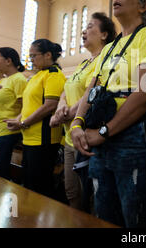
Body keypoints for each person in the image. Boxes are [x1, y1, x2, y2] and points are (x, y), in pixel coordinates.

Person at [70, 0, 146, 227]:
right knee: (103, 211)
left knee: (134, 216)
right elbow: (92, 88)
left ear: (143, 7)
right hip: (101, 137)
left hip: (130, 136)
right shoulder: (108, 48)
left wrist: (104, 131)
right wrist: (77, 123)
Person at [50, 12, 116, 211]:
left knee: (91, 195)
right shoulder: (84, 63)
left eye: (89, 26)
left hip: (87, 137)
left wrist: (67, 113)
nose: (83, 31)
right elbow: (66, 89)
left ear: (104, 35)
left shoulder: (104, 60)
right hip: (70, 137)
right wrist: (62, 107)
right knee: (72, 192)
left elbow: (92, 93)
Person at [5, 39, 65, 197]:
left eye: (34, 56)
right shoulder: (37, 76)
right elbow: (29, 104)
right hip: (30, 136)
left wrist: (23, 123)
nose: (31, 60)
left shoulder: (54, 75)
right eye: (29, 56)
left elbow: (50, 105)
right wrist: (19, 119)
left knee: (40, 186)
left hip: (43, 138)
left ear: (48, 55)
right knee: (29, 182)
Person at [0, 47, 27, 180]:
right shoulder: (3, 80)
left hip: (6, 131)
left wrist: (18, 121)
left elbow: (25, 105)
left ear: (8, 61)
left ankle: (0, 199)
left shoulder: (18, 79)